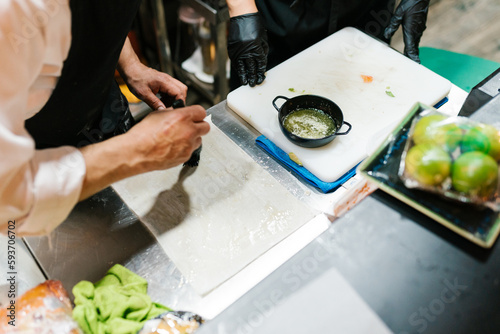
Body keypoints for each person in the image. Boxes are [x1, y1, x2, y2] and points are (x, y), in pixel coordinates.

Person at [0, 0, 210, 236]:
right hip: (38, 164)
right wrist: (137, 150)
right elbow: (7, 198)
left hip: (104, 106)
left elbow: (97, 16)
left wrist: (132, 66)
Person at [226, 0, 430, 88]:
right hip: (283, 13)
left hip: (366, 9)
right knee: (260, 96)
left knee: (364, 86)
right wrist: (241, 7)